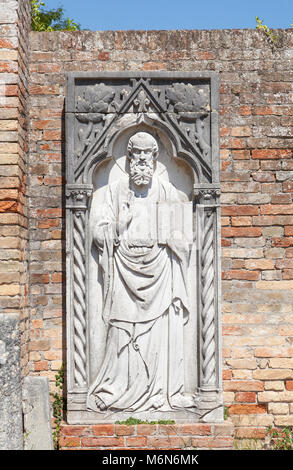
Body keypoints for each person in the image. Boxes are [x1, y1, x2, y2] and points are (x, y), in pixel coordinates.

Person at [86, 131, 193, 412]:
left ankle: (160, 392)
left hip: (160, 271)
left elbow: (185, 240)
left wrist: (172, 238)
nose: (142, 162)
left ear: (156, 159)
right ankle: (114, 390)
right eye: (137, 156)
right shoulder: (113, 191)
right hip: (122, 268)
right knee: (121, 331)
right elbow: (98, 232)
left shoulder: (169, 192)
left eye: (148, 156)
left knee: (159, 333)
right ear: (129, 158)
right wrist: (118, 227)